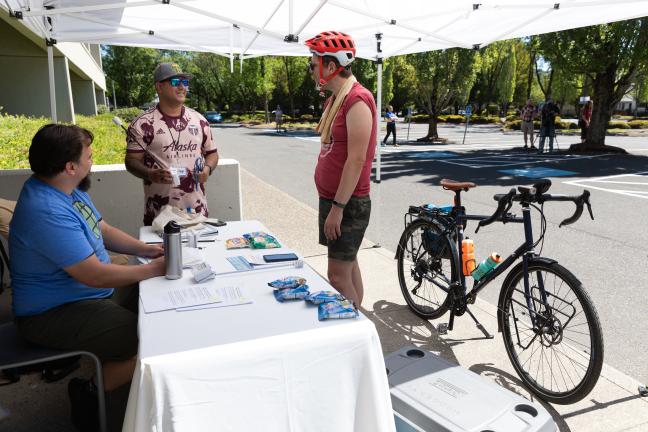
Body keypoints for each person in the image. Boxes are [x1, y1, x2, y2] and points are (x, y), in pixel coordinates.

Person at [9, 124, 166, 430]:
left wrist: (148, 251)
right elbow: (93, 274)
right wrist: (152, 268)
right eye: (89, 157)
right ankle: (90, 389)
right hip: (51, 313)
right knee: (150, 337)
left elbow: (102, 229)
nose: (92, 162)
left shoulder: (66, 189)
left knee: (155, 301)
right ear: (70, 166)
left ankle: (130, 376)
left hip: (85, 295)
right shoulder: (45, 208)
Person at [305, 31, 376, 307]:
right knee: (348, 265)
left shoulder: (356, 100)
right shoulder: (335, 99)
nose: (311, 70)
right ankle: (362, 320)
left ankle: (357, 333)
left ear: (330, 66)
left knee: (336, 276)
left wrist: (337, 208)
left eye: (313, 64)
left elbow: (356, 160)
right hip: (335, 200)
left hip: (347, 203)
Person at [125, 62, 219, 225]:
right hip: (159, 215)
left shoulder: (200, 120)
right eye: (176, 82)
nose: (182, 87)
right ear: (159, 87)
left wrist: (207, 169)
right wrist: (149, 174)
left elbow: (212, 153)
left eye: (185, 82)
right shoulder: (142, 124)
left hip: (197, 213)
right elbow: (131, 161)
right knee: (162, 252)